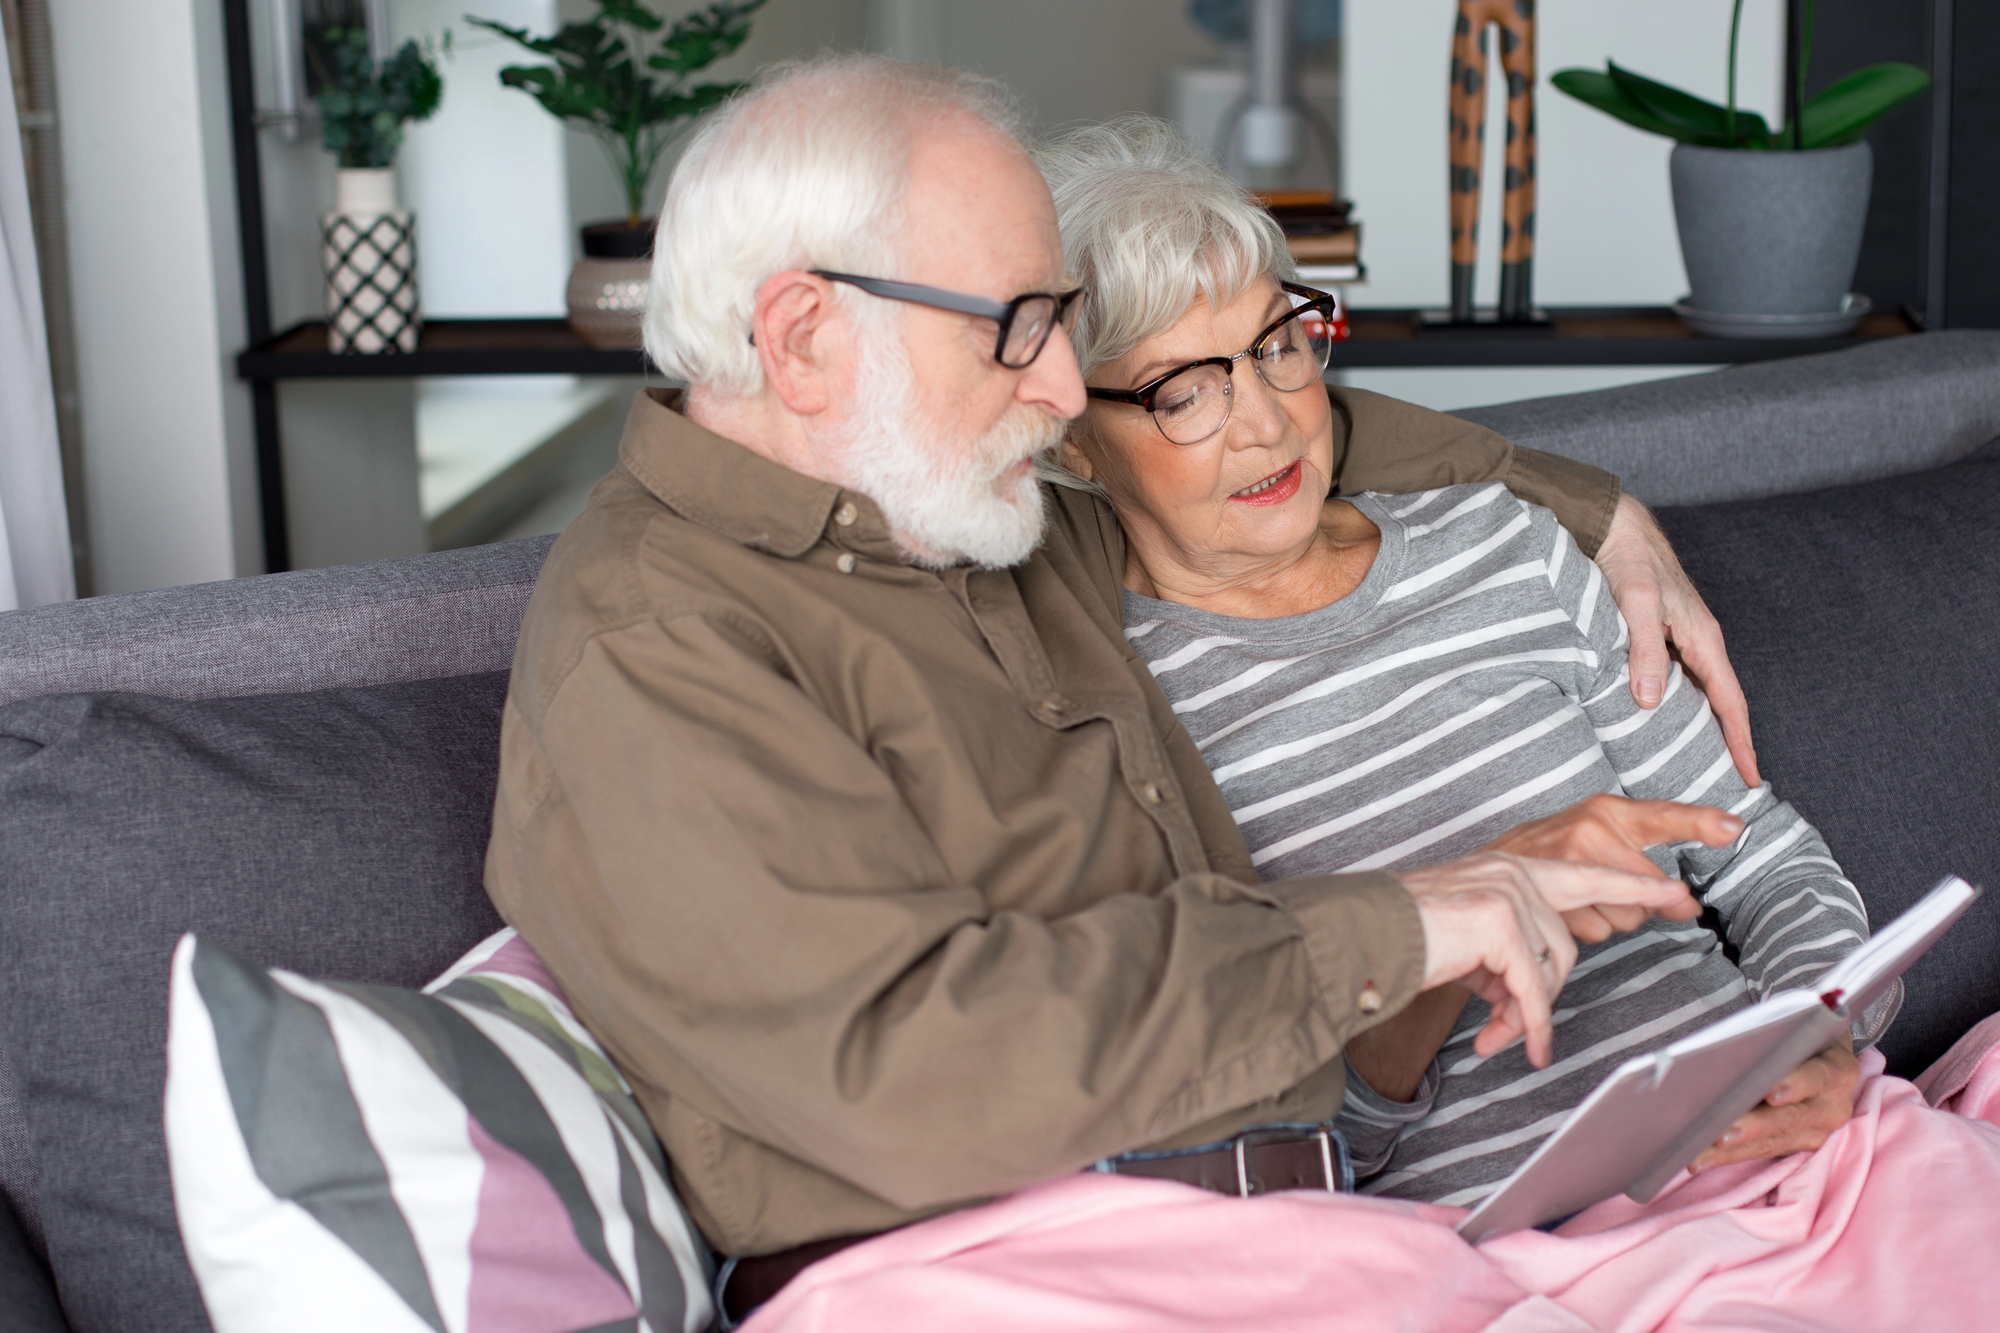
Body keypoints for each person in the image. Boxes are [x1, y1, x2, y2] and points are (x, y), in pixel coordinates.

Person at [484, 54, 1736, 1317]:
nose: (1063, 388)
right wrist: (1396, 924)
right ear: (805, 339)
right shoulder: (654, 637)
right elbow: (910, 1072)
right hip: (1007, 1281)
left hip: (1300, 1236)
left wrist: (1588, 504)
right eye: (1017, 326)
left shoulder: (971, 506)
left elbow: (1247, 430)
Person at [1033, 116, 1883, 1204]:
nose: (1265, 422)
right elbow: (1315, 1134)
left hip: (1789, 1159)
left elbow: (1762, 859)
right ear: (1070, 437)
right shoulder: (1129, 713)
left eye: (1276, 345)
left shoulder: (1501, 540)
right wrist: (1462, 926)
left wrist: (1822, 1033)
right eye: (1183, 390)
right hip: (1511, 1255)